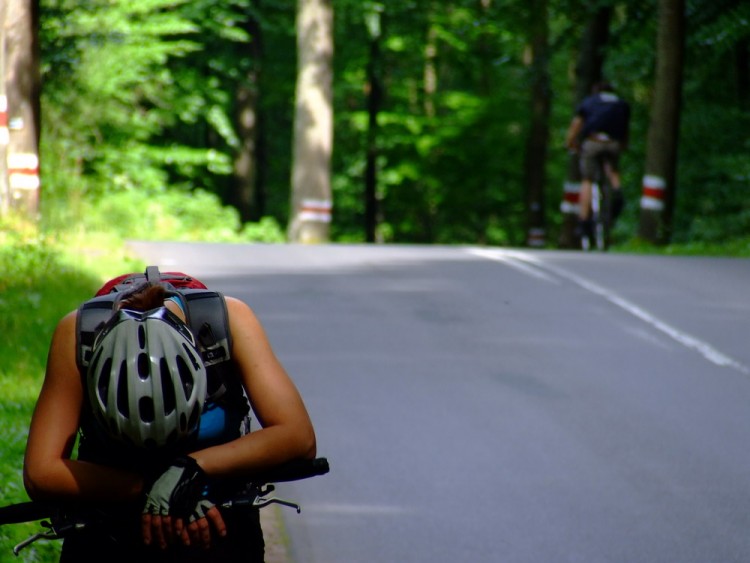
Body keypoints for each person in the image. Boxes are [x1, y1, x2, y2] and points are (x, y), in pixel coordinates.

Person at [23, 269, 317, 562]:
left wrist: (192, 469)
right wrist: (153, 492)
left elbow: (297, 436)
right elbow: (41, 472)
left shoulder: (229, 321)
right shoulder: (77, 335)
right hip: (110, 526)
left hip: (218, 521)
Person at [565, 80, 631, 242]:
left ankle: (584, 221)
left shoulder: (590, 101)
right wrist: (623, 145)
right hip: (613, 143)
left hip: (593, 142)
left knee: (587, 178)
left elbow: (577, 124)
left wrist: (570, 142)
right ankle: (617, 191)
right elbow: (626, 128)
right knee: (613, 169)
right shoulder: (621, 103)